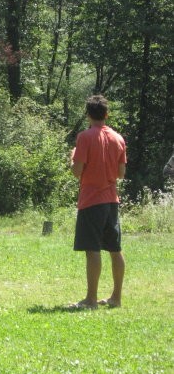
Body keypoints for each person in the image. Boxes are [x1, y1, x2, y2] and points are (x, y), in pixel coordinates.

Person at [69, 95, 127, 309]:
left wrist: (72, 157)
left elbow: (77, 171)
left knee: (92, 249)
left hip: (91, 200)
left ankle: (91, 300)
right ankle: (116, 298)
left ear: (87, 114)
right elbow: (121, 173)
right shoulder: (118, 138)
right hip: (112, 200)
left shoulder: (85, 137)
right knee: (115, 249)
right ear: (106, 114)